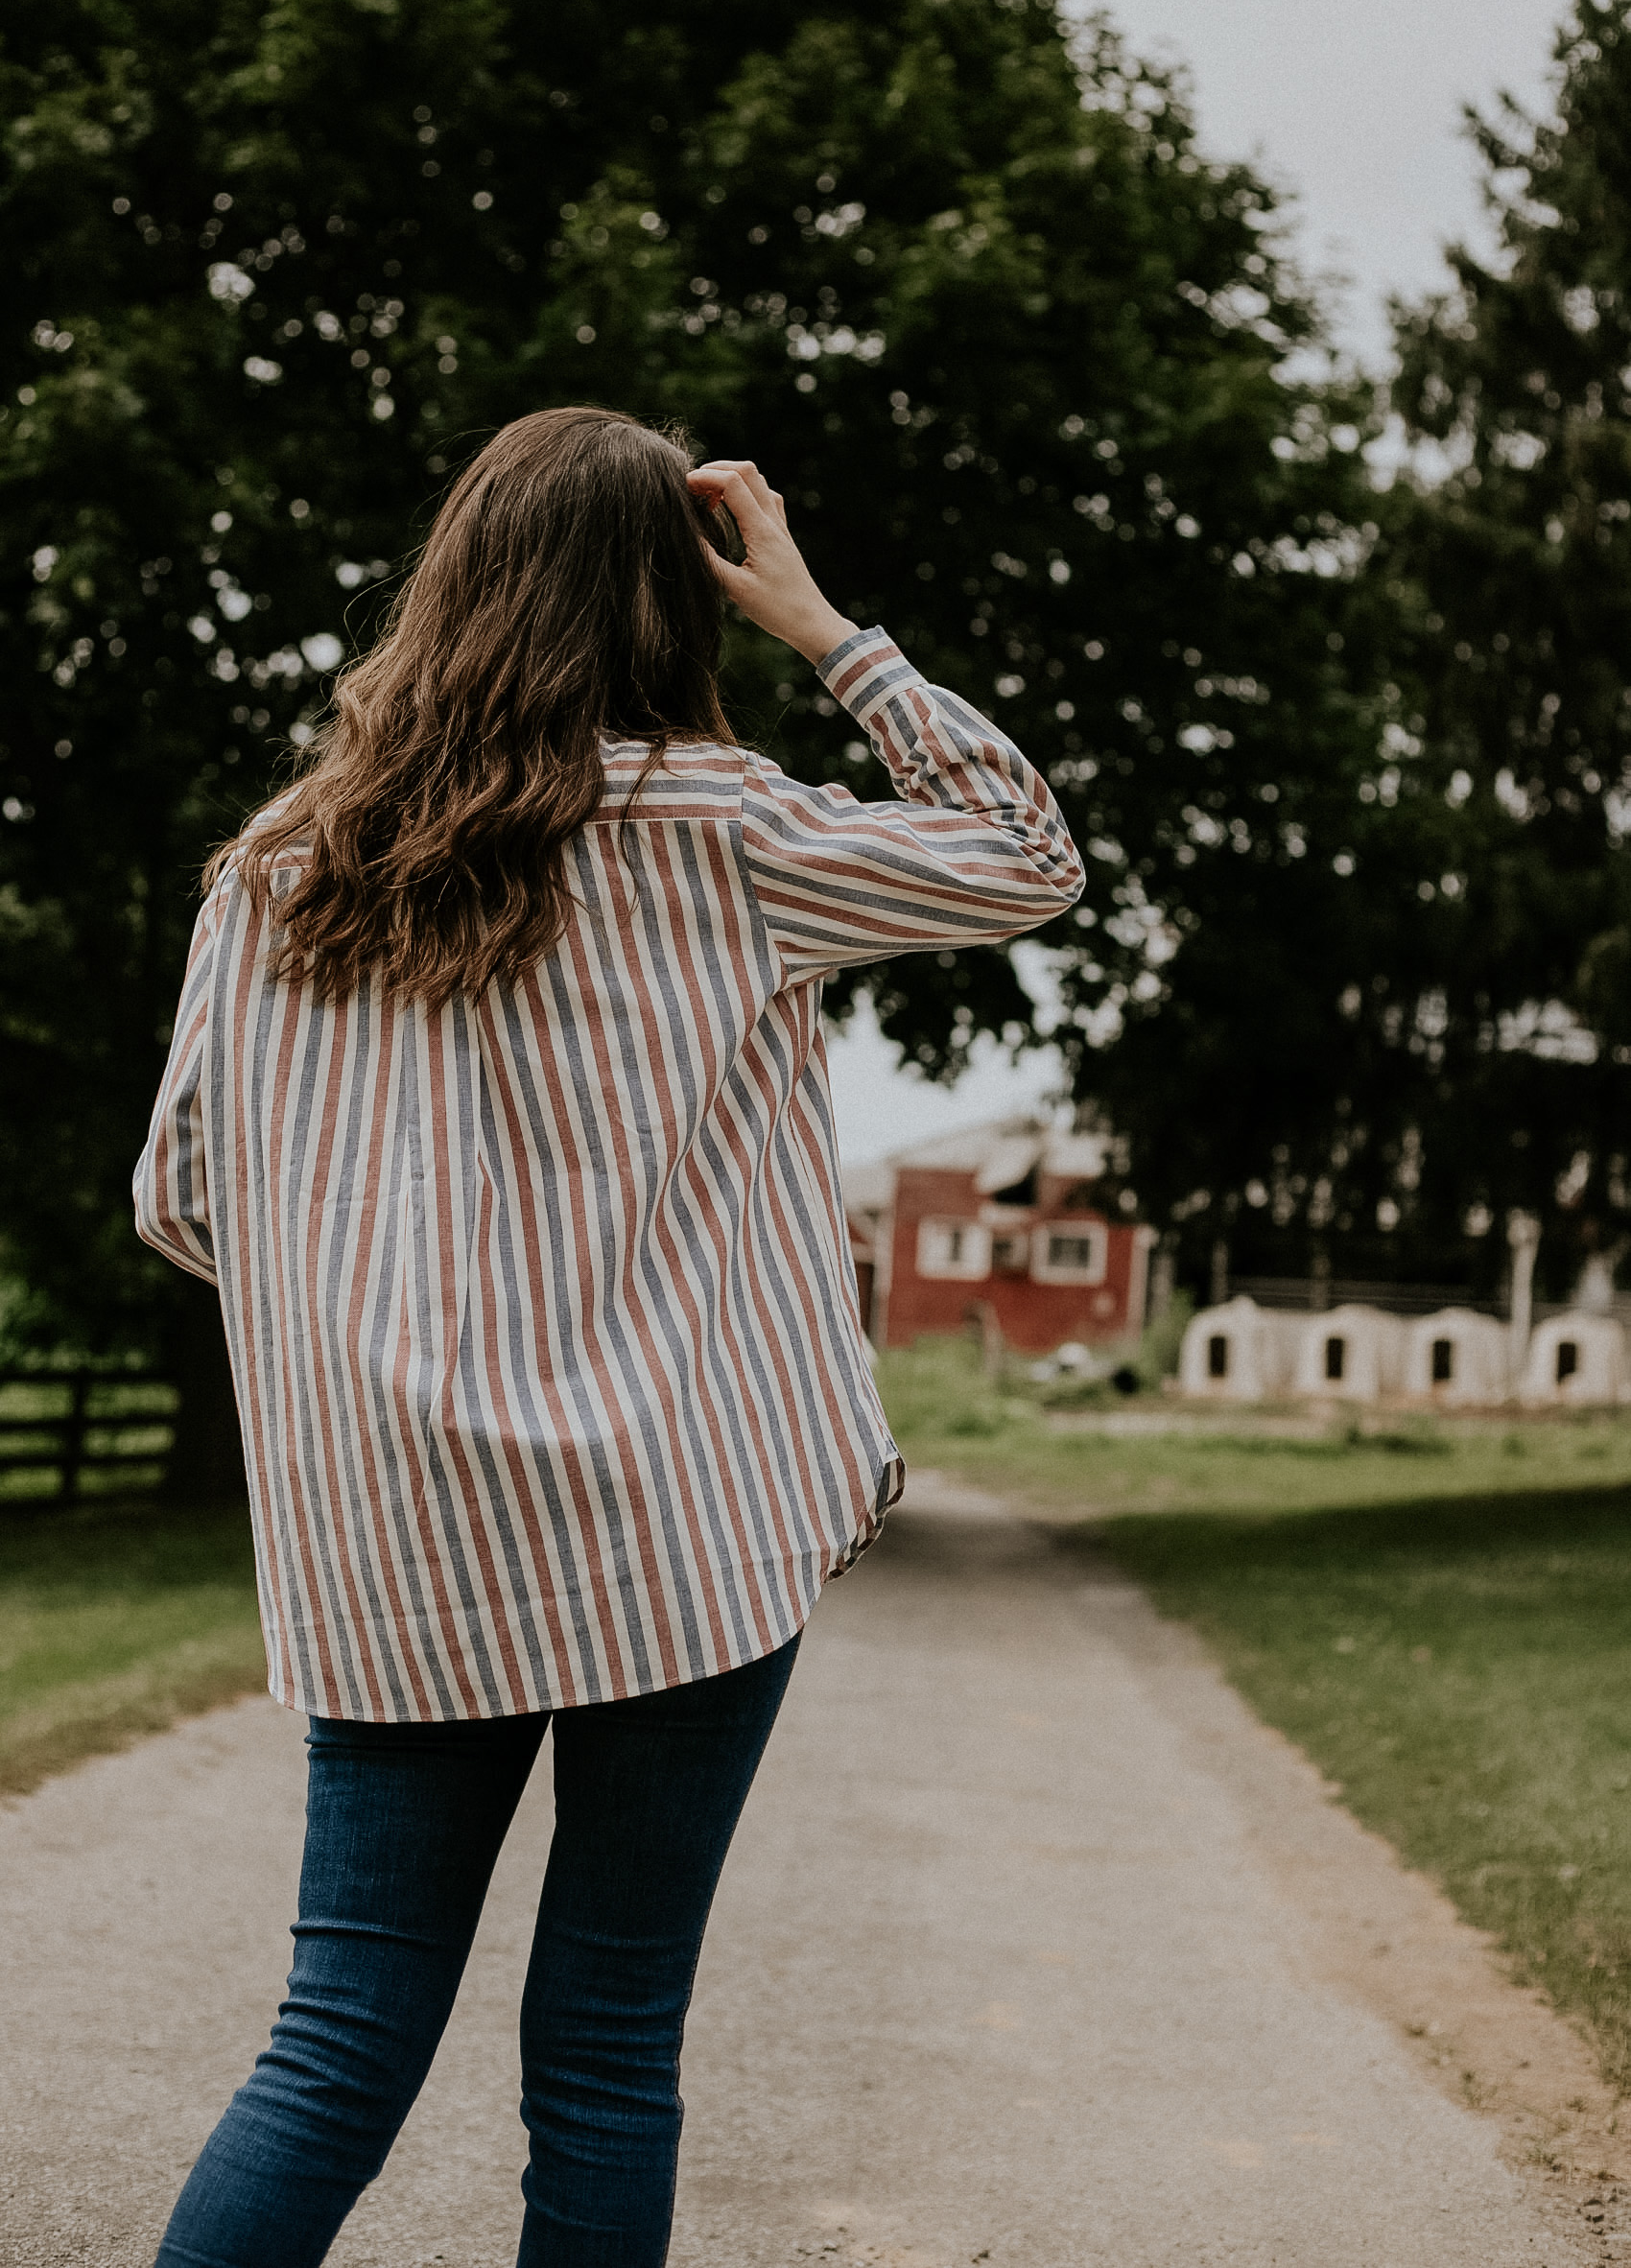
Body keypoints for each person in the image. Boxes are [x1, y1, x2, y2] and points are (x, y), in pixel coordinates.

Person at [133, 406, 1085, 2268]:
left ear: (456, 585)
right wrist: (827, 629)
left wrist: (392, 1312)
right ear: (673, 604)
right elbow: (1023, 854)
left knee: (336, 2039)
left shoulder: (274, 873)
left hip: (403, 1543)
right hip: (684, 1521)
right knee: (604, 2044)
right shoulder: (726, 833)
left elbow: (187, 1195)